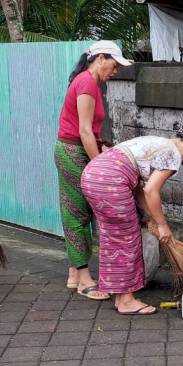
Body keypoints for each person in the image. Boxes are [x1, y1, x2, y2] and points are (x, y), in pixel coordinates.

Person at [81, 124, 183, 314]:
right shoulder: (173, 154)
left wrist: (150, 218)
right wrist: (162, 225)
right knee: (129, 239)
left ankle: (121, 296)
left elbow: (139, 188)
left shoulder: (156, 142)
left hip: (92, 176)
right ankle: (127, 302)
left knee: (114, 238)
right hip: (111, 181)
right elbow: (151, 190)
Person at [55, 40, 133, 300]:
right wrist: (101, 165)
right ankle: (84, 278)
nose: (115, 71)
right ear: (100, 58)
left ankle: (74, 273)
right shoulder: (87, 82)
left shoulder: (90, 83)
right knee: (77, 213)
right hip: (73, 151)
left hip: (78, 150)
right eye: (114, 65)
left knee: (81, 210)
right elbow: (85, 130)